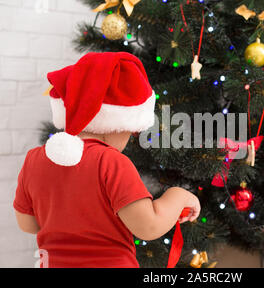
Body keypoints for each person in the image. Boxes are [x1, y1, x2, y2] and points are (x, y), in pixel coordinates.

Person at [13, 52, 200, 268]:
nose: (129, 137)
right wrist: (178, 196)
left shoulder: (34, 159)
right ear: (114, 122)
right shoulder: (111, 162)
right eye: (131, 130)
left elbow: (27, 224)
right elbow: (148, 227)